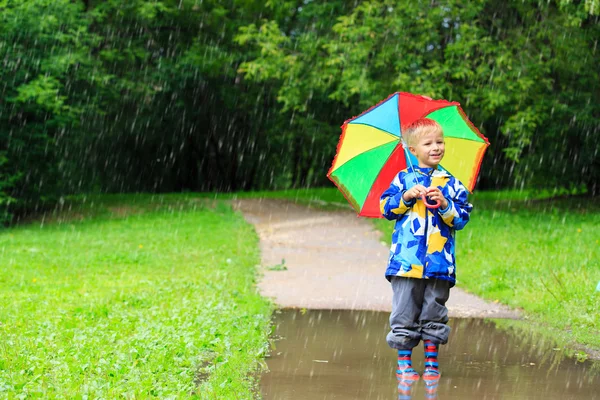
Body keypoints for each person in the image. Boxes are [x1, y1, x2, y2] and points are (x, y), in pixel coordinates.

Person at [379, 118, 473, 382]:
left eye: (440, 142)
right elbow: (386, 209)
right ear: (412, 149)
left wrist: (444, 204)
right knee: (404, 311)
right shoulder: (403, 179)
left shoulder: (451, 183)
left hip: (439, 262)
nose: (436, 147)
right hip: (406, 262)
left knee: (434, 310)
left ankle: (431, 362)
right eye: (428, 143)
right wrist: (407, 196)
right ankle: (404, 364)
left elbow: (461, 219)